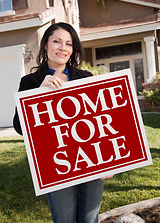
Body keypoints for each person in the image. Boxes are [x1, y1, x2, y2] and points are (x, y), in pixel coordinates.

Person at [13, 22, 111, 223]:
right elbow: (19, 127)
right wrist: (39, 93)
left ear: (73, 49)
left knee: (89, 219)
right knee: (64, 218)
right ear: (46, 45)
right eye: (57, 41)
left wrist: (108, 161)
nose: (62, 48)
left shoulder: (85, 78)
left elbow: (100, 123)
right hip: (56, 164)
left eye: (68, 43)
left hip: (91, 160)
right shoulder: (30, 82)